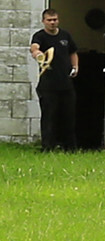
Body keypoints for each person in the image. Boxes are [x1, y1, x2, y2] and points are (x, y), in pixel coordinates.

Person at [29, 9, 79, 152]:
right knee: (49, 118)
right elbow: (34, 47)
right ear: (43, 21)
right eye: (49, 20)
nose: (52, 22)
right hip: (48, 86)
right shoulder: (40, 36)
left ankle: (70, 148)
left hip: (66, 85)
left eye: (55, 19)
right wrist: (37, 53)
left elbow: (73, 52)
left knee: (68, 117)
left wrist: (75, 66)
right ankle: (48, 148)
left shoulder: (65, 35)